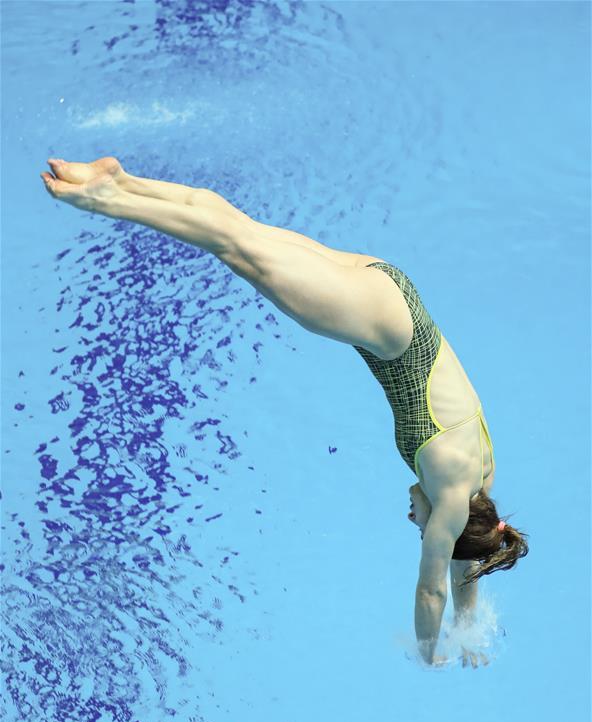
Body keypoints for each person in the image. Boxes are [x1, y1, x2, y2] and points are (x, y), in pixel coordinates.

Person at [40, 157, 529, 667]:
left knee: (244, 234)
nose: (416, 521)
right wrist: (430, 654)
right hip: (379, 324)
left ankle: (119, 180)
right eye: (424, 527)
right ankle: (107, 200)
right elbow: (433, 590)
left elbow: (460, 564)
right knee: (235, 247)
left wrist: (468, 628)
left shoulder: (478, 477)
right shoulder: (449, 487)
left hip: (389, 291)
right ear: (449, 522)